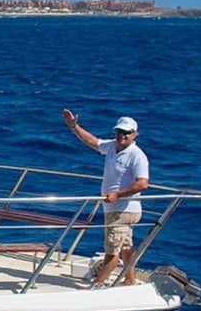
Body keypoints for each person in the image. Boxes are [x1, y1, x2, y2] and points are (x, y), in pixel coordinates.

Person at [62, 109, 150, 286]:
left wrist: (118, 194)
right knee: (125, 247)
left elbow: (142, 183)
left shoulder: (137, 155)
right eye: (119, 131)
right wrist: (74, 126)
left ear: (135, 135)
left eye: (126, 132)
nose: (122, 135)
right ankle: (130, 279)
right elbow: (91, 141)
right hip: (114, 208)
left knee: (112, 250)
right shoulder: (111, 146)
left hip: (123, 209)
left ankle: (97, 284)